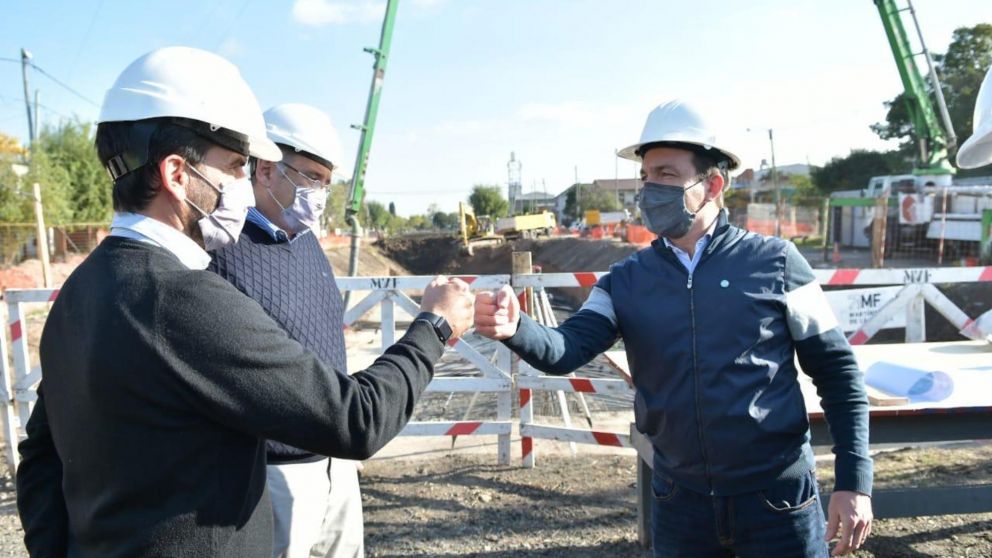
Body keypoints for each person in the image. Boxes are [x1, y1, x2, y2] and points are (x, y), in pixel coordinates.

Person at [16, 46, 473, 557]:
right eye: (234, 165)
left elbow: (40, 458)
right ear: (175, 173)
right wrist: (434, 326)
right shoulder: (184, 300)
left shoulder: (83, 290)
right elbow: (356, 419)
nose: (244, 185)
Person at [475, 100, 874, 557]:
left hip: (777, 503)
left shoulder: (778, 263)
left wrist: (854, 481)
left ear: (713, 184)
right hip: (679, 505)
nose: (649, 190)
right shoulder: (627, 279)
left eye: (666, 175)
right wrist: (515, 326)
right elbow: (566, 348)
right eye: (645, 177)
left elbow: (838, 373)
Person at [207, 103, 363, 558]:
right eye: (312, 177)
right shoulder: (220, 251)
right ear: (267, 169)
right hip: (270, 474)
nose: (320, 193)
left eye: (327, 183)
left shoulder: (308, 243)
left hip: (337, 465)